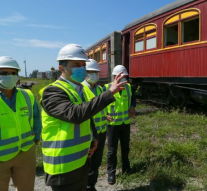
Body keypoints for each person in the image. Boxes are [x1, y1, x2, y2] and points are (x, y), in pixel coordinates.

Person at [40, 44, 126, 191]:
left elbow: (88, 116)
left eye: (82, 64)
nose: (81, 68)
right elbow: (76, 114)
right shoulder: (52, 91)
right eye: (76, 65)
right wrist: (109, 93)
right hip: (63, 164)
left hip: (81, 159)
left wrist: (93, 138)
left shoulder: (80, 90)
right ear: (62, 68)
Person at [0, 56, 41, 191]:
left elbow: (36, 118)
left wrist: (36, 138)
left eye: (13, 73)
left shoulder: (27, 95)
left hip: (25, 152)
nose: (10, 76)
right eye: (4, 73)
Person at [103, 65, 136, 185]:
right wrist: (103, 115)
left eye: (124, 76)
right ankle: (111, 173)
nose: (123, 78)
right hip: (112, 124)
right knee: (112, 150)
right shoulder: (107, 88)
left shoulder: (128, 87)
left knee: (125, 148)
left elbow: (133, 98)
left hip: (125, 123)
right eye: (120, 76)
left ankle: (126, 168)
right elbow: (99, 102)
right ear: (114, 77)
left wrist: (132, 106)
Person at [81, 59, 107, 191]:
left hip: (101, 132)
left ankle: (91, 185)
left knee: (96, 162)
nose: (95, 75)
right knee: (86, 163)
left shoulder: (100, 89)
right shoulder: (81, 89)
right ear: (86, 73)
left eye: (97, 72)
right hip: (88, 133)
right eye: (92, 72)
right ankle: (86, 186)